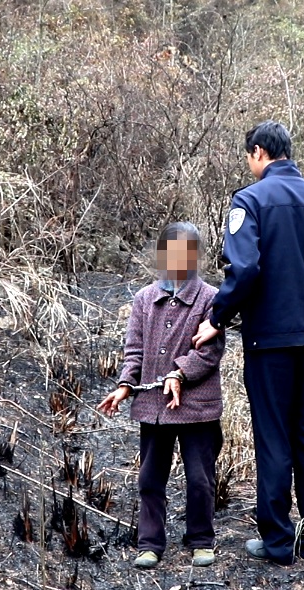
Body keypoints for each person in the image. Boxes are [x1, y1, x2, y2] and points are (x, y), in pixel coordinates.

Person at [193, 121, 304, 565]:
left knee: (274, 438)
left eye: (249, 157)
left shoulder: (250, 200)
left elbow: (244, 270)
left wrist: (216, 317)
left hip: (270, 343)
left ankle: (280, 542)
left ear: (259, 152)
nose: (250, 164)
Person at [98, 222, 226, 569]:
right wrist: (125, 385)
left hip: (198, 407)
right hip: (153, 407)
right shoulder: (144, 298)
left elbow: (210, 352)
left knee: (201, 478)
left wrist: (179, 373)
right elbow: (134, 351)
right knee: (150, 478)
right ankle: (150, 544)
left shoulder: (211, 298)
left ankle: (201, 540)